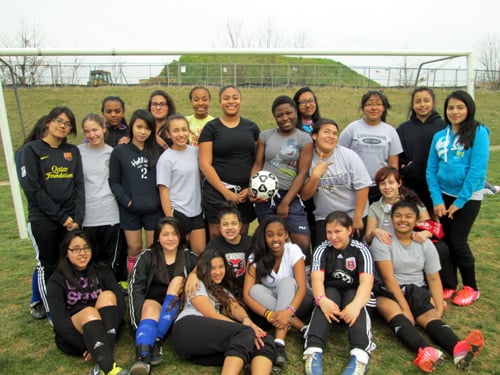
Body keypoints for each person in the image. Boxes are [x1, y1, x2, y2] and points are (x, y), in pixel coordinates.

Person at [370, 200, 484, 372]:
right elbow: (388, 279)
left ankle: (458, 349)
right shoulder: (383, 240)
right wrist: (405, 309)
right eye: (398, 216)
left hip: (416, 290)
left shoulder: (425, 243)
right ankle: (425, 351)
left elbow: (434, 279)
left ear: (417, 220)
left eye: (408, 216)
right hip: (388, 290)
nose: (403, 220)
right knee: (395, 313)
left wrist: (438, 308)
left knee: (431, 318)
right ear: (391, 219)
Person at [426, 90, 490, 306]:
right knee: (443, 241)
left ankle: (471, 287)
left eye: (460, 107)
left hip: (468, 197)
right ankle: (450, 284)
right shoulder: (439, 136)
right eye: (451, 107)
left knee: (458, 241)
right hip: (443, 196)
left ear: (469, 108)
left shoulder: (478, 132)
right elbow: (431, 170)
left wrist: (460, 202)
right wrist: (437, 200)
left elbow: (477, 171)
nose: (455, 111)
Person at [22, 106, 85, 324]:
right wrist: (60, 217)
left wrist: (77, 217)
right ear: (48, 122)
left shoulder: (72, 152)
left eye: (67, 124)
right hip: (44, 220)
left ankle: (70, 303)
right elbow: (33, 189)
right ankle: (52, 313)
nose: (62, 126)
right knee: (47, 266)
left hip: (70, 221)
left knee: (68, 263)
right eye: (59, 121)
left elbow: (78, 186)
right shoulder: (31, 150)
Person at [172, 248, 276, 374]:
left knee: (264, 339)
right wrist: (247, 330)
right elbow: (211, 314)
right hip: (187, 328)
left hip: (205, 341)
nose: (218, 272)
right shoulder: (197, 283)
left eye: (221, 267)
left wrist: (247, 320)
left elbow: (235, 307)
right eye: (212, 268)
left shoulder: (222, 290)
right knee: (246, 334)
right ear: (204, 269)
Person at [46, 230, 128, 375]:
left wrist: (105, 338)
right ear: (66, 252)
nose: (82, 253)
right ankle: (109, 369)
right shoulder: (56, 280)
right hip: (77, 330)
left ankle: (102, 351)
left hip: (105, 326)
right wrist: (86, 344)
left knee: (108, 295)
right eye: (76, 249)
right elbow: (60, 321)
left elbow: (120, 304)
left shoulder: (102, 270)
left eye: (86, 247)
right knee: (90, 312)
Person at [303, 211, 375, 375]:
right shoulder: (322, 249)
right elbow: (316, 279)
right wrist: (322, 300)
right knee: (328, 293)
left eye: (338, 232)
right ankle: (313, 349)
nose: (333, 237)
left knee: (353, 297)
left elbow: (366, 282)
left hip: (354, 296)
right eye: (329, 232)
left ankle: (360, 354)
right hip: (332, 296)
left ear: (349, 230)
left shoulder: (361, 250)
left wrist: (356, 306)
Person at [365, 166, 454, 295]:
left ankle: (436, 287)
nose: (387, 187)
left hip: (411, 241)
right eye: (382, 183)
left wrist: (425, 233)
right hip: (387, 246)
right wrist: (374, 232)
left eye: (391, 182)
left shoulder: (411, 201)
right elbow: (368, 238)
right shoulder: (375, 207)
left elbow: (429, 223)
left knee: (441, 248)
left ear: (399, 183)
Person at [128, 217, 197, 375]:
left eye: (175, 234)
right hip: (153, 302)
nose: (171, 238)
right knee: (149, 307)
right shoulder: (147, 256)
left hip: (177, 305)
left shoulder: (190, 257)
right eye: (165, 234)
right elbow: (135, 288)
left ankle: (156, 338)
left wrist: (193, 274)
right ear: (158, 237)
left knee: (178, 281)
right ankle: (143, 356)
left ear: (180, 237)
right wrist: (136, 321)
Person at [243, 215, 312, 369]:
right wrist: (269, 314)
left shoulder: (293, 250)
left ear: (286, 234)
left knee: (287, 282)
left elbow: (301, 287)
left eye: (280, 234)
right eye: (270, 235)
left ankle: (279, 343)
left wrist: (289, 311)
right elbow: (246, 295)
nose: (276, 239)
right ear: (264, 237)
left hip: (299, 301)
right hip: (275, 303)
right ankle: (303, 328)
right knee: (255, 290)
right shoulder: (256, 257)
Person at [250, 95, 313, 256]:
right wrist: (253, 189)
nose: (285, 118)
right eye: (280, 115)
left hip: (289, 196)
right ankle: (270, 276)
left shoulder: (304, 139)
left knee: (303, 243)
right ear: (275, 117)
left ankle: (304, 278)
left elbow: (302, 173)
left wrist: (286, 202)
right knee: (271, 241)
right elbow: (258, 164)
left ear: (295, 113)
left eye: (288, 113)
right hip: (265, 196)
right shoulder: (265, 136)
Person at [198, 85, 259, 239]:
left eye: (235, 97)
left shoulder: (251, 127)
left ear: (240, 101)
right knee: (216, 236)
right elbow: (205, 164)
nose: (231, 101)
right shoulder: (211, 128)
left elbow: (258, 161)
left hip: (244, 194)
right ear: (220, 102)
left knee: (241, 235)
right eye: (226, 98)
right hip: (216, 193)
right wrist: (226, 193)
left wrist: (250, 187)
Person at [301, 118, 371, 247]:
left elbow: (363, 186)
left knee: (354, 255)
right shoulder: (308, 159)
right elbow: (305, 195)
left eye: (335, 133)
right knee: (324, 256)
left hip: (352, 214)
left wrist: (357, 217)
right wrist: (315, 176)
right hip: (325, 217)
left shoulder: (349, 156)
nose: (331, 136)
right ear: (315, 136)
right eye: (327, 132)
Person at [109, 109, 163, 273]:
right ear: (132, 126)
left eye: (147, 128)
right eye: (139, 127)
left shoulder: (157, 151)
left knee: (154, 249)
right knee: (134, 248)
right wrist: (127, 201)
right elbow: (114, 181)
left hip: (154, 209)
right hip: (130, 209)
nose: (143, 132)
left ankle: (152, 282)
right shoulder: (120, 151)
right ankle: (134, 281)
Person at [338, 90, 403, 203]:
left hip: (380, 187)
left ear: (384, 108)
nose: (374, 108)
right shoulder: (352, 128)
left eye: (378, 104)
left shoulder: (390, 131)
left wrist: (393, 187)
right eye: (369, 104)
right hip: (354, 185)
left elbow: (393, 165)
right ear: (363, 108)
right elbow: (339, 154)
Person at [78, 113, 122, 277]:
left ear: (103, 129)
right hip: (87, 214)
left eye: (95, 130)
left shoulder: (113, 153)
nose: (91, 135)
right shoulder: (78, 152)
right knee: (88, 256)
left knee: (108, 258)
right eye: (87, 131)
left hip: (110, 213)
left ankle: (108, 289)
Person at [156, 114, 206, 255]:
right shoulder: (166, 159)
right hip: (178, 212)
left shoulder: (195, 152)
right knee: (180, 254)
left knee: (199, 253)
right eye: (176, 131)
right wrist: (171, 220)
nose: (181, 134)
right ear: (168, 133)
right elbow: (163, 191)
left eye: (184, 130)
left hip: (196, 212)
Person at [15, 115, 49, 320]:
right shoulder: (26, 152)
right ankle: (37, 301)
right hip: (40, 216)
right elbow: (31, 187)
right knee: (43, 262)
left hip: (61, 216)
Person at [185, 201, 252, 297]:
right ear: (219, 227)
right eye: (225, 224)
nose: (229, 228)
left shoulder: (250, 242)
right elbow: (202, 262)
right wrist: (193, 274)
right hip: (224, 288)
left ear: (240, 226)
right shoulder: (214, 244)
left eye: (233, 224)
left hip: (246, 288)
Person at [396, 87, 446, 214]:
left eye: (426, 101)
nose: (422, 105)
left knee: (438, 226)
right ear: (412, 105)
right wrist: (405, 168)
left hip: (439, 186)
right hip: (412, 187)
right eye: (418, 101)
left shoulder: (444, 126)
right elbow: (397, 156)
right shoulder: (403, 129)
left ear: (433, 103)